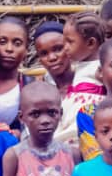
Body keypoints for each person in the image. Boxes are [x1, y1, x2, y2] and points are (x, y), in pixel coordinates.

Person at [2, 81, 80, 176]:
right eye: (35, 114)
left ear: (60, 113)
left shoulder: (72, 154)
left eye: (51, 113)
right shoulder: (14, 156)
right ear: (21, 117)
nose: (44, 120)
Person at [35, 21, 94, 149]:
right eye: (44, 53)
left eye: (58, 49)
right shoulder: (38, 93)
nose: (52, 57)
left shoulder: (92, 81)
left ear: (68, 48)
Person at [0, 17, 32, 129]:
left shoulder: (30, 87)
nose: (9, 49)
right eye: (2, 42)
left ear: (26, 49)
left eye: (17, 43)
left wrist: (18, 134)